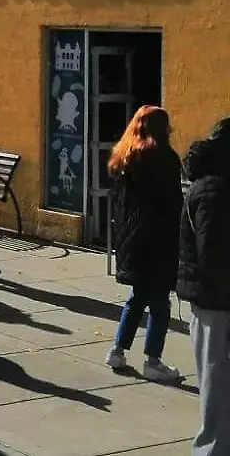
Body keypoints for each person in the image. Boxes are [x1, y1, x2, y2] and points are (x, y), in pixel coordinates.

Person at [104, 105, 183, 384]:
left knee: (138, 297)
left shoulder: (125, 156)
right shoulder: (164, 158)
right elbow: (172, 203)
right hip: (158, 240)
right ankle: (153, 360)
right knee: (160, 302)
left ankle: (117, 350)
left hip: (131, 239)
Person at [178, 117, 230, 455]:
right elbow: (213, 255)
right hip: (216, 302)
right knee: (216, 383)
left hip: (215, 299)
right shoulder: (214, 191)